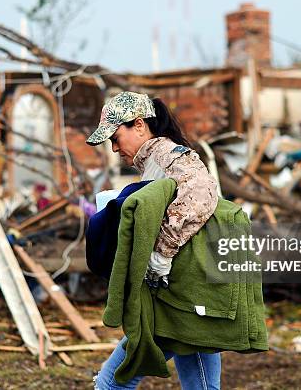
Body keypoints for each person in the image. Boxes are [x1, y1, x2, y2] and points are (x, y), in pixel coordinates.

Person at [86, 91, 221, 389]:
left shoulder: (165, 154)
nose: (114, 148)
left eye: (115, 137)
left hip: (175, 299)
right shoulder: (156, 162)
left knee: (111, 383)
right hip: (193, 297)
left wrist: (162, 253)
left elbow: (201, 191)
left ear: (139, 125)